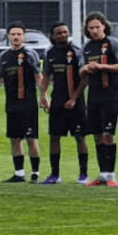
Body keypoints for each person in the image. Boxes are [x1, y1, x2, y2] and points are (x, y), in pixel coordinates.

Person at [0, 23, 42, 182]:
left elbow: (39, 76)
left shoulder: (30, 54)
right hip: (12, 104)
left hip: (29, 104)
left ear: (24, 36)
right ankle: (19, 174)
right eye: (13, 34)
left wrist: (44, 96)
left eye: (19, 34)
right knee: (15, 139)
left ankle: (35, 173)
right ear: (9, 36)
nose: (16, 37)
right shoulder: (4, 56)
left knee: (32, 139)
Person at [77, 11, 118, 186]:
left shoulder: (113, 44)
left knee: (108, 134)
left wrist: (101, 66)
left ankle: (112, 174)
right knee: (97, 134)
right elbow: (80, 70)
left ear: (104, 26)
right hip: (94, 95)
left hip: (111, 94)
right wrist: (85, 69)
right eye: (91, 28)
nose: (94, 31)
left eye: (97, 27)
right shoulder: (87, 47)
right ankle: (103, 174)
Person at [38, 21, 90, 184]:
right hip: (58, 102)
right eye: (59, 33)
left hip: (76, 101)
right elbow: (46, 76)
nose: (63, 35)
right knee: (54, 137)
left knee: (80, 137)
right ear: (53, 35)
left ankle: (83, 174)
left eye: (65, 32)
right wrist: (43, 95)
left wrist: (74, 98)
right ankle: (55, 174)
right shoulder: (50, 53)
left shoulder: (76, 51)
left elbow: (85, 77)